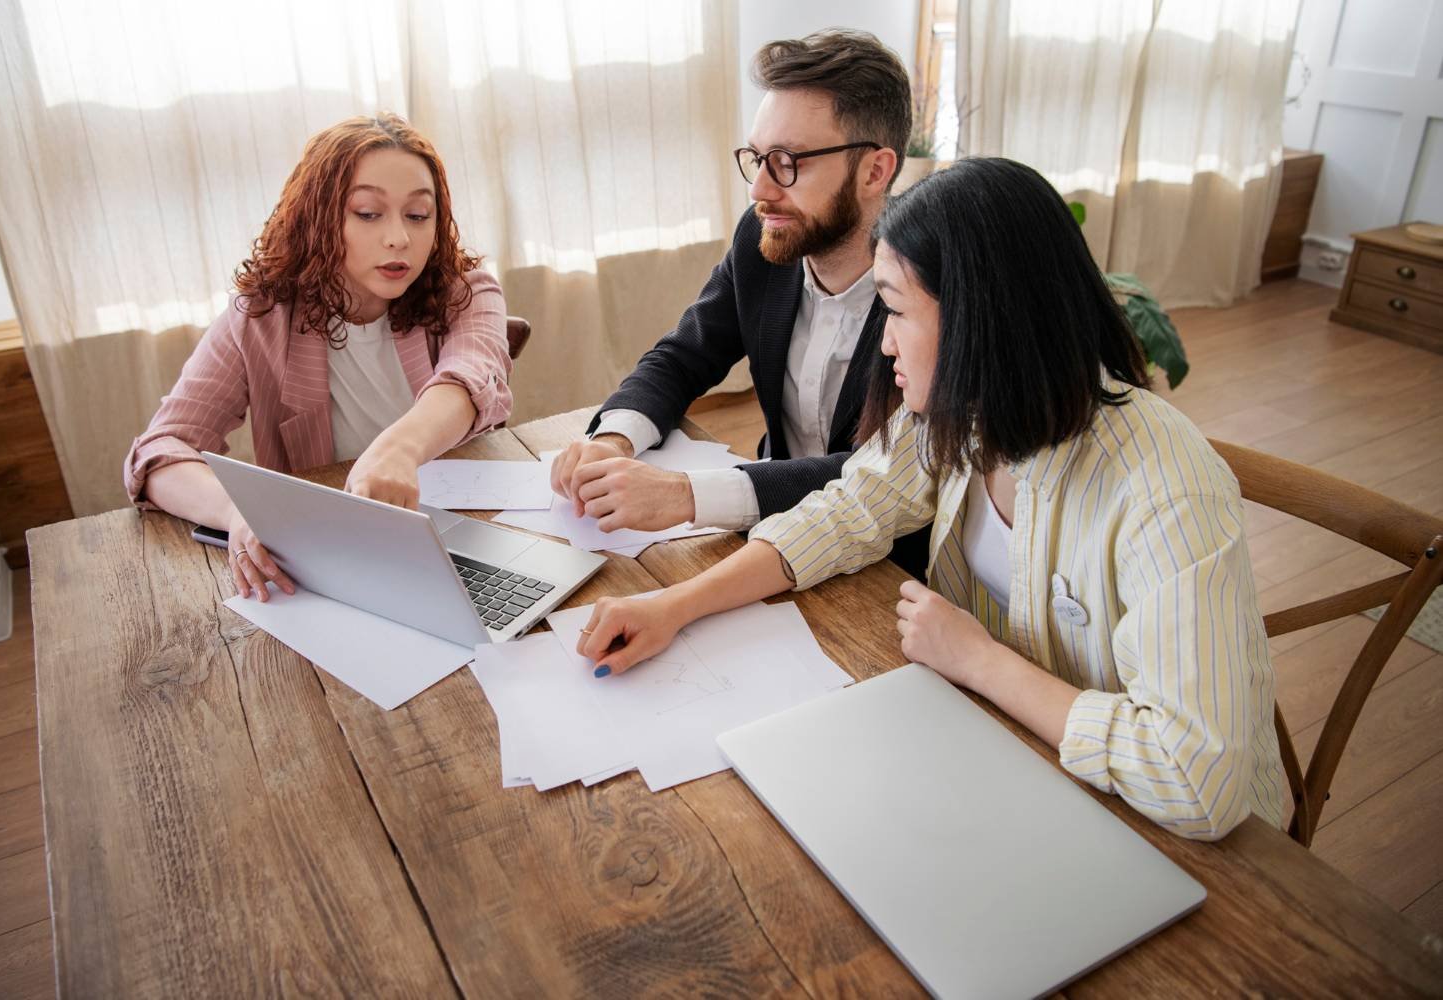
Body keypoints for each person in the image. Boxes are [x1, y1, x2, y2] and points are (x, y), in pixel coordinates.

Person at [575, 158, 1284, 841]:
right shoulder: (962, 411)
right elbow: (847, 513)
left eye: (894, 310)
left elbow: (1198, 779)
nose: (884, 345)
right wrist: (673, 606)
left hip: (1169, 835)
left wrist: (979, 661)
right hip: (1004, 756)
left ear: (982, 319)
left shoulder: (1164, 486)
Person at [548, 29, 930, 575]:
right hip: (765, 535)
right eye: (757, 157)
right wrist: (613, 440)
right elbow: (684, 356)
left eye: (789, 161)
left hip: (887, 564)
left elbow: (882, 476)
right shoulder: (762, 240)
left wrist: (687, 495)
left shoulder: (926, 293)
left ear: (875, 170)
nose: (760, 190)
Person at [125, 113, 511, 601]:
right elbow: (159, 453)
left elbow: (471, 378)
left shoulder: (469, 293)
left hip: (464, 544)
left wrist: (398, 451)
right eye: (368, 213)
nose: (399, 238)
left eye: (418, 215)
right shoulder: (262, 318)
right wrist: (239, 513)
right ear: (319, 217)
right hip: (329, 565)